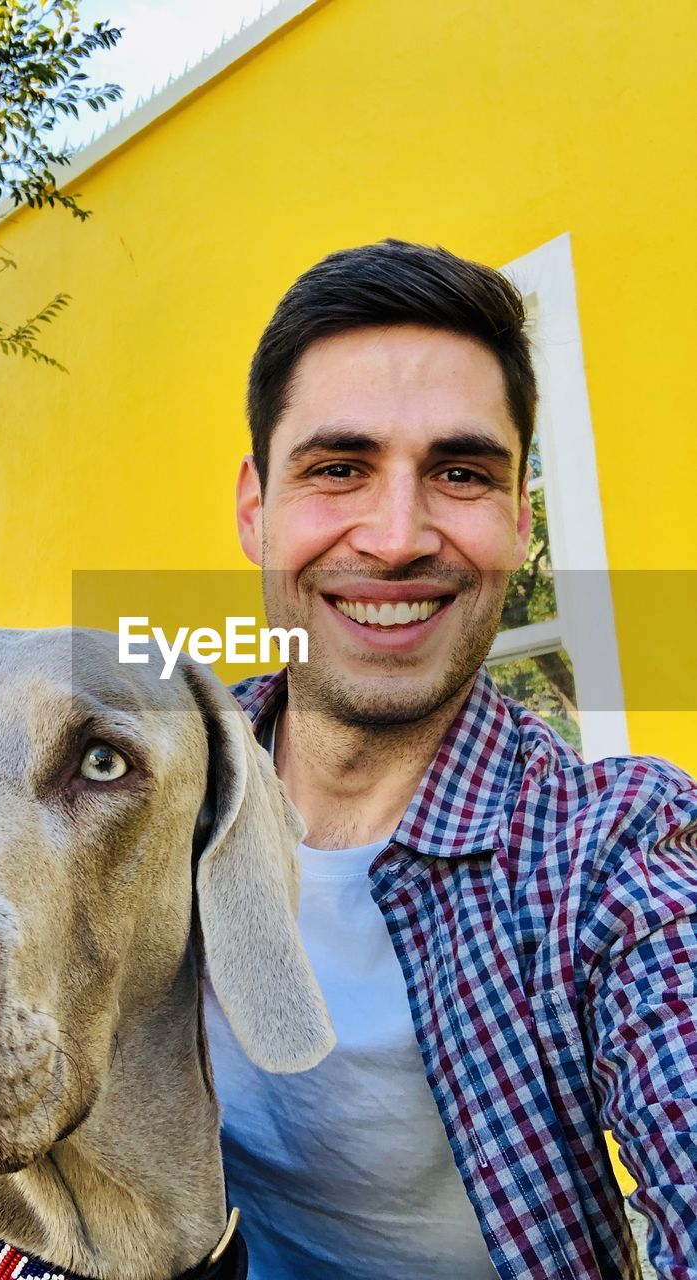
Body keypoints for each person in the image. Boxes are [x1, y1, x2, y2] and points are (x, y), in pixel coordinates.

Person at [202, 240, 697, 1280]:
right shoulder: (152, 790)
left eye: (460, 472)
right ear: (256, 507)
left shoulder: (609, 848)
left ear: (519, 518)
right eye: (338, 467)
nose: (393, 538)